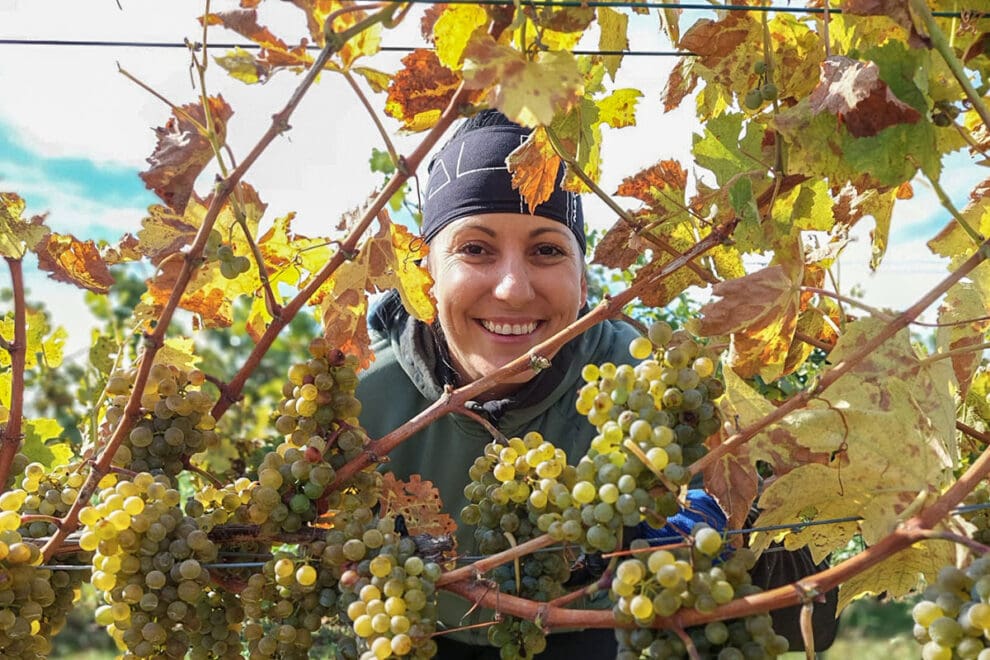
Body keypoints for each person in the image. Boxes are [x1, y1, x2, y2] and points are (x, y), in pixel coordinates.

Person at [356, 110, 836, 659]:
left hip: (591, 632)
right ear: (425, 277)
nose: (513, 290)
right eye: (475, 249)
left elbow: (815, 621)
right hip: (426, 640)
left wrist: (737, 532)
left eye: (546, 250)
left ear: (584, 282)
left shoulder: (657, 386)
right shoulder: (360, 399)